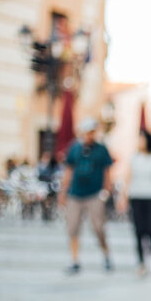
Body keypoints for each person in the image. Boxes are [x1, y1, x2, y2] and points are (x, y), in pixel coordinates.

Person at [59, 117, 114, 274]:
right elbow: (69, 170)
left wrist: (107, 190)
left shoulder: (101, 149)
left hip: (95, 193)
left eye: (91, 132)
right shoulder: (74, 148)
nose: (89, 135)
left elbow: (107, 171)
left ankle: (106, 255)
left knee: (98, 227)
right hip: (75, 194)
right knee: (73, 227)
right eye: (87, 132)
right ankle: (74, 260)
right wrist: (63, 192)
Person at [117, 130, 151, 276]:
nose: (140, 142)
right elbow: (128, 178)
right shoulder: (134, 158)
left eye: (142, 139)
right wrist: (123, 197)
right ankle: (141, 262)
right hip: (136, 195)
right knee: (138, 229)